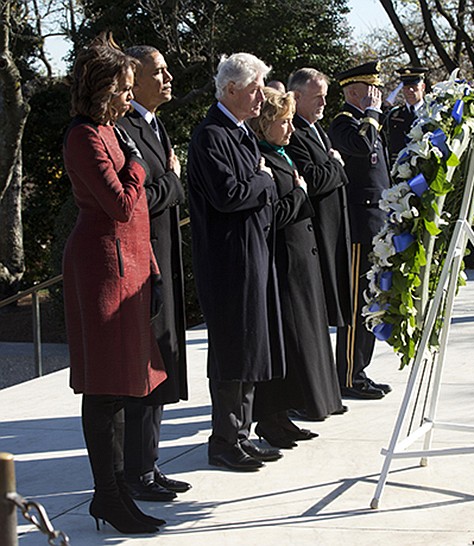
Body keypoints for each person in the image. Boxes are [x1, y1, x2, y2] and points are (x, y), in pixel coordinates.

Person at [62, 33, 166, 534]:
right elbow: (122, 204)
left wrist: (155, 270)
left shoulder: (111, 131)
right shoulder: (84, 136)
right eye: (125, 88)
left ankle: (119, 490)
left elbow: (138, 215)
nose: (131, 96)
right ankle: (108, 495)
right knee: (105, 389)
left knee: (123, 387)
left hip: (130, 267)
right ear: (104, 88)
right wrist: (143, 166)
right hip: (102, 269)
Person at [187, 52, 284, 472]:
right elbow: (230, 194)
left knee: (249, 349)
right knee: (232, 350)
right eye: (254, 88)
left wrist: (261, 181)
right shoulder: (212, 135)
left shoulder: (240, 132)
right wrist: (263, 178)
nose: (261, 96)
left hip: (253, 252)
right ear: (230, 89)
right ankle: (224, 440)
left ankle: (241, 432)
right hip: (229, 260)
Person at [248, 88, 343, 445]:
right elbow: (274, 214)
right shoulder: (264, 158)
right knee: (286, 340)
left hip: (303, 258)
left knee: (301, 339)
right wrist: (301, 193)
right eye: (282, 122)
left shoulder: (281, 154)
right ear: (265, 124)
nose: (290, 129)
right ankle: (270, 419)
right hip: (283, 260)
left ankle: (284, 415)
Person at [117, 45, 190, 502]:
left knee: (162, 361)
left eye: (166, 71)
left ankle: (150, 463)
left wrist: (168, 181)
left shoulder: (155, 124)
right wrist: (174, 180)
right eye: (157, 72)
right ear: (135, 80)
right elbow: (137, 199)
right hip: (143, 262)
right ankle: (135, 472)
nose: (167, 78)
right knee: (145, 366)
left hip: (164, 258)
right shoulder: (125, 129)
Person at [328, 61, 393, 400]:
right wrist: (372, 115)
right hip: (358, 226)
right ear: (353, 91)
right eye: (371, 90)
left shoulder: (369, 122)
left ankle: (360, 369)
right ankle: (348, 375)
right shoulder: (344, 123)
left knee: (371, 302)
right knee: (356, 305)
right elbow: (361, 146)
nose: (376, 96)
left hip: (376, 223)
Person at [286, 68, 352, 337]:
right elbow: (312, 179)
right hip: (317, 229)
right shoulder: (295, 132)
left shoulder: (316, 128)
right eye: (318, 98)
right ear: (297, 97)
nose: (324, 103)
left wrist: (332, 167)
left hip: (334, 228)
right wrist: (336, 164)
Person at [384, 66, 428, 164]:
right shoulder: (394, 115)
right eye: (407, 87)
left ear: (423, 87)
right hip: (398, 170)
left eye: (414, 86)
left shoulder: (430, 113)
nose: (410, 90)